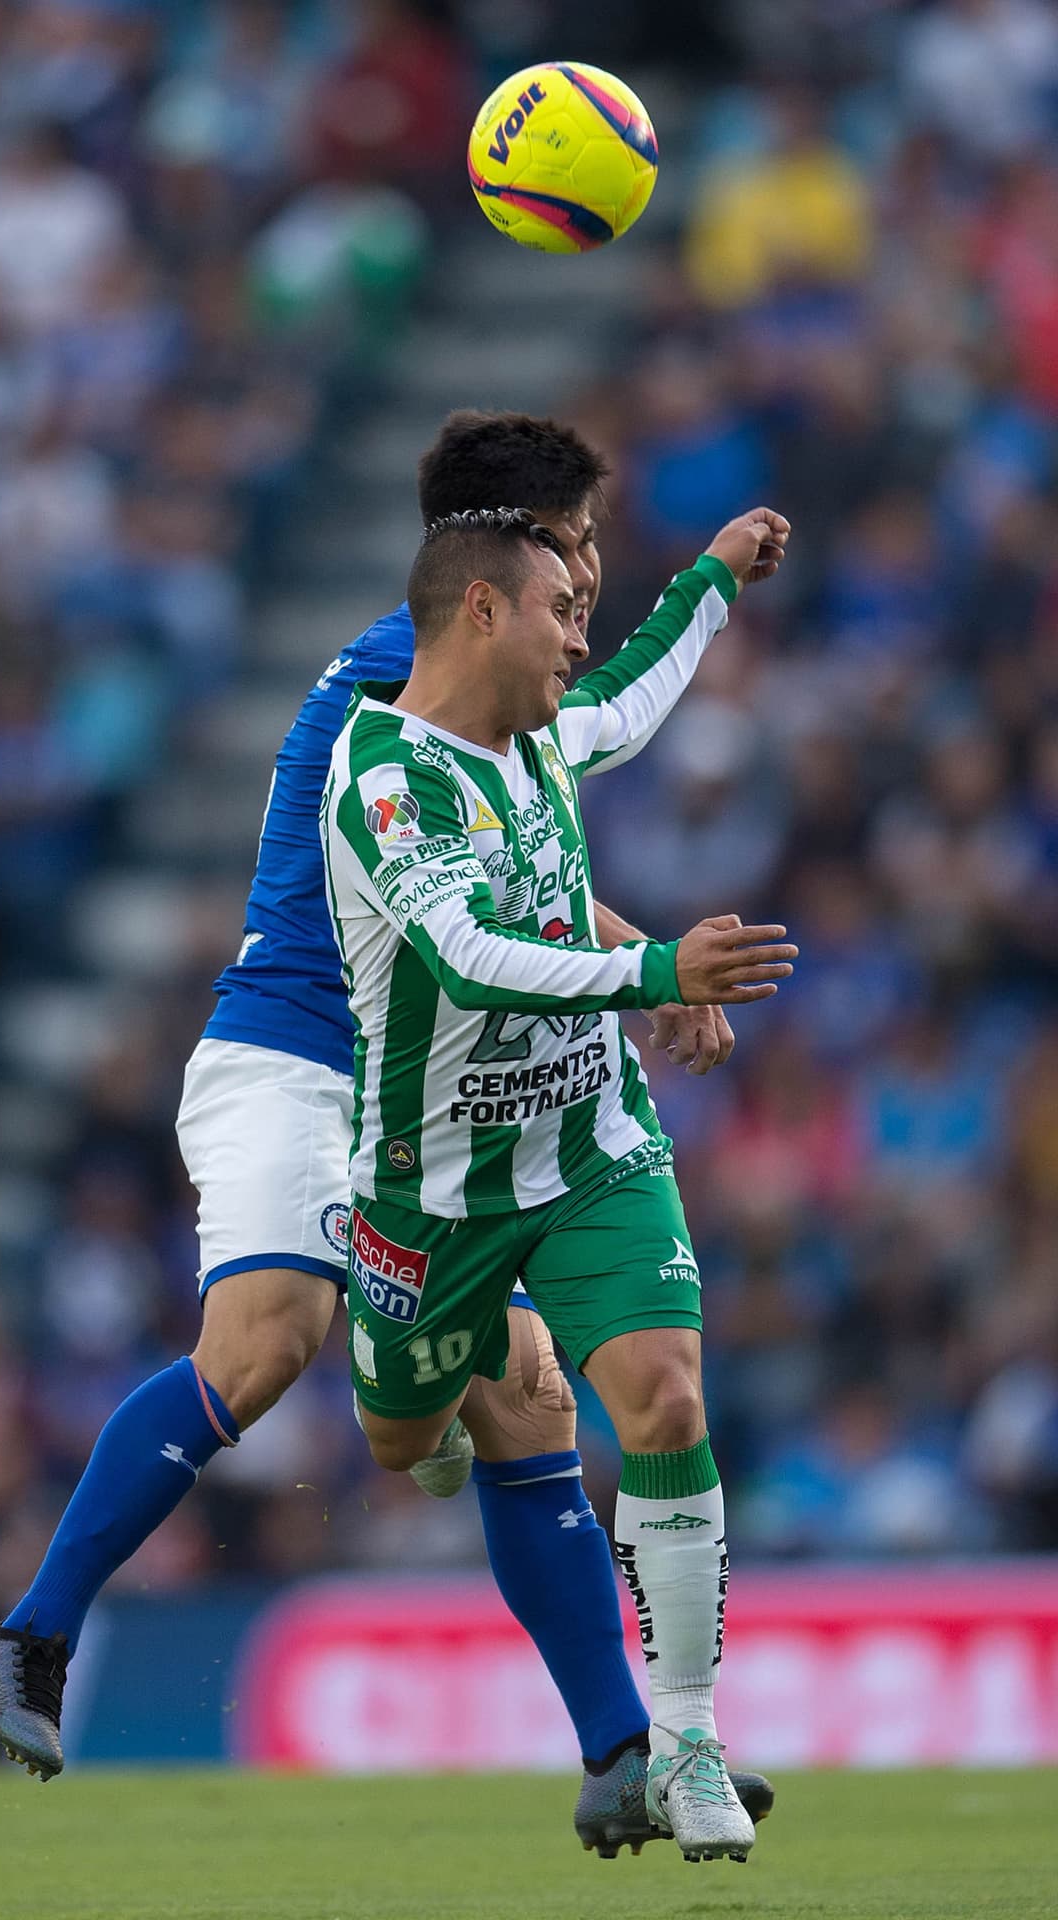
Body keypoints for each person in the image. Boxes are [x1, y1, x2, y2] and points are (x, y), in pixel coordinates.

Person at [0, 412, 774, 1856]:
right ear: (508, 555)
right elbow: (450, 891)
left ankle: (622, 1751)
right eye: (579, 544)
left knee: (528, 1396)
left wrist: (640, 955)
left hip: (447, 1088)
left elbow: (528, 832)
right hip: (299, 1054)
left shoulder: (484, 660)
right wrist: (650, 966)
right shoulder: (395, 689)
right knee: (272, 1337)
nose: (590, 582)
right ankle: (28, 1639)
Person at [322, 504, 793, 1863]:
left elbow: (638, 688)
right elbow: (466, 953)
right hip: (434, 1191)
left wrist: (713, 575)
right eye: (557, 612)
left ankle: (687, 1741)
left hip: (591, 1149)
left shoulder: (546, 739)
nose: (579, 634)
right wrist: (658, 973)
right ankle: (444, 1403)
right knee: (401, 1441)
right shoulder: (386, 776)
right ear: (480, 612)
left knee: (666, 1394)